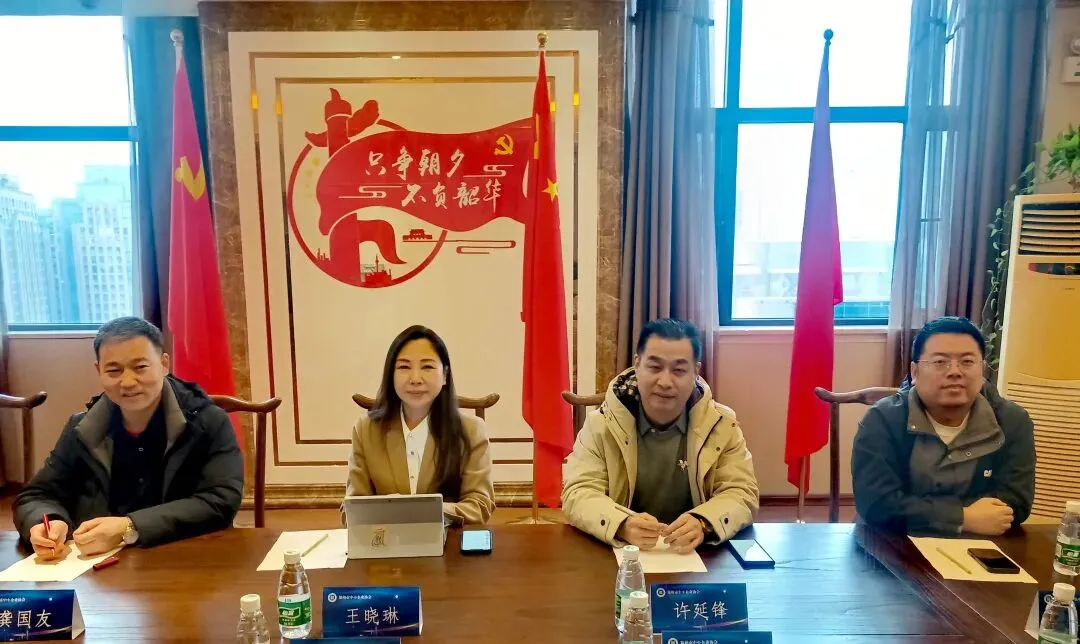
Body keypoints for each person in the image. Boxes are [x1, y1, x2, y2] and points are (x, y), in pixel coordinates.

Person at [13, 317, 244, 559]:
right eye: (114, 371)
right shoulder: (83, 428)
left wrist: (130, 526)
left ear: (164, 364)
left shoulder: (207, 422)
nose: (128, 382)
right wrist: (48, 522)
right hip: (102, 565)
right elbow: (36, 496)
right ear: (99, 371)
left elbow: (221, 501)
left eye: (140, 367)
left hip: (186, 557)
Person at [562, 318, 759, 552]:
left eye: (679, 370)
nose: (665, 382)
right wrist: (621, 523)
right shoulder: (601, 424)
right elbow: (578, 492)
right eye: (655, 367)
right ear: (637, 364)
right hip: (622, 554)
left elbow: (742, 492)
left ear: (695, 372)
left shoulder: (722, 425)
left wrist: (703, 522)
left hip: (695, 554)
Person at [852, 316, 1035, 536]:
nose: (955, 371)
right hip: (893, 541)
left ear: (982, 371)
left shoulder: (1011, 421)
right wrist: (962, 517)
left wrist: (917, 511)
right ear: (915, 372)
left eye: (967, 362)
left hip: (977, 543)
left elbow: (1016, 502)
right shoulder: (883, 419)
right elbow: (876, 504)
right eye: (940, 362)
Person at [345, 325, 495, 525]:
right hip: (387, 541)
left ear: (445, 375)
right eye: (404, 367)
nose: (415, 379)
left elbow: (479, 505)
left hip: (447, 541)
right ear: (391, 375)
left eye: (427, 367)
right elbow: (352, 509)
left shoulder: (471, 430)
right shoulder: (366, 429)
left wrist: (421, 509)